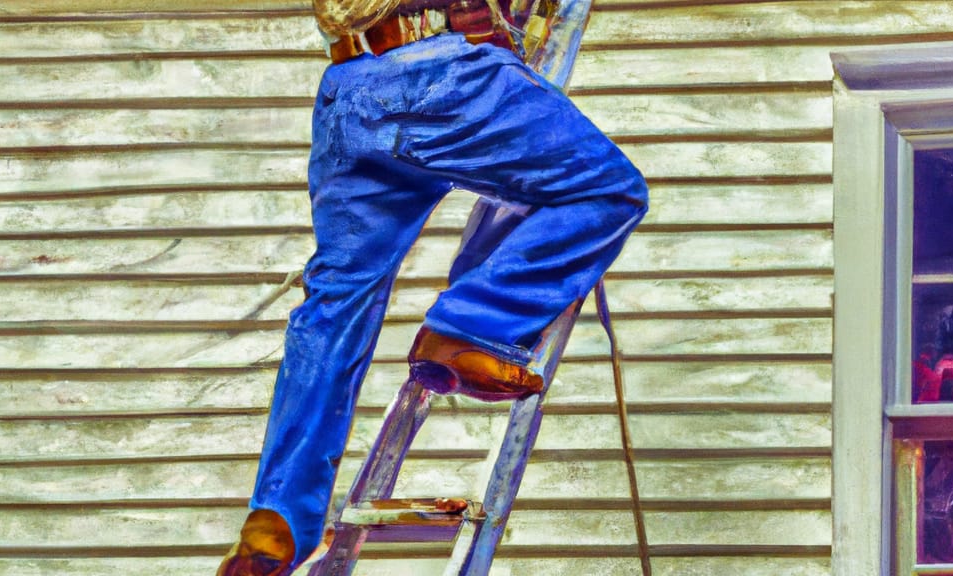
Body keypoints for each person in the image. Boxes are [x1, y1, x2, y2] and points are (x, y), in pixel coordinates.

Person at [217, 0, 648, 572]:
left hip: (350, 86)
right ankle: (468, 329)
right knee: (608, 189)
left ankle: (280, 519)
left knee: (338, 298)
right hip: (436, 74)